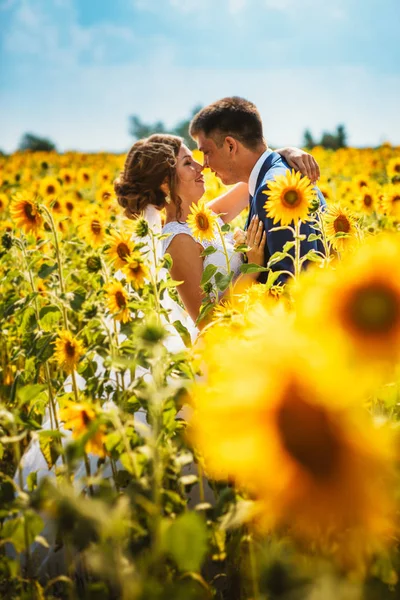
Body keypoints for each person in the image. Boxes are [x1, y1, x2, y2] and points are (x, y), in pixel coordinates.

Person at [114, 134, 320, 323]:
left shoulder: (204, 218)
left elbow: (255, 173)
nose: (200, 166)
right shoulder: (178, 241)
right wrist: (252, 268)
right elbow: (206, 320)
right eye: (188, 163)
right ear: (165, 184)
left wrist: (286, 152)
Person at [189, 96, 326, 283]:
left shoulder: (273, 189)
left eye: (206, 152)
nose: (204, 164)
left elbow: (290, 280)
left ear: (230, 146)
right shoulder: (284, 173)